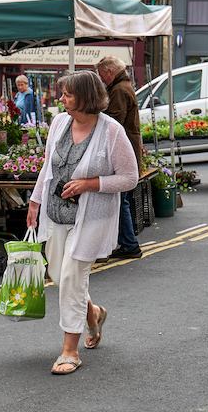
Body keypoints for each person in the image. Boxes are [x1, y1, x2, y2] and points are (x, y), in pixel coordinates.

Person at [25, 71, 138, 375]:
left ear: (86, 98)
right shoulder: (60, 123)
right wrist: (35, 202)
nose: (61, 99)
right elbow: (48, 166)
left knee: (72, 278)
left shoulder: (111, 131)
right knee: (59, 276)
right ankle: (95, 313)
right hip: (56, 212)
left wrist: (90, 183)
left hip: (92, 217)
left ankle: (69, 350)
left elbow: (130, 178)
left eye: (67, 95)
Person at [96, 56, 144, 260]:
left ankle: (130, 244)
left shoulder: (119, 90)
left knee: (121, 199)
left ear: (108, 72)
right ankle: (127, 242)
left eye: (101, 74)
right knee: (122, 199)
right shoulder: (123, 86)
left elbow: (114, 123)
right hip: (129, 147)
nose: (100, 79)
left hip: (123, 150)